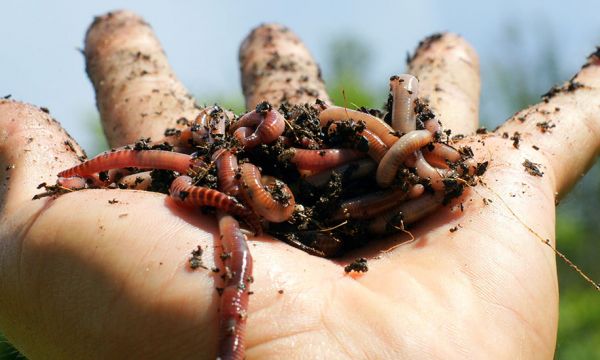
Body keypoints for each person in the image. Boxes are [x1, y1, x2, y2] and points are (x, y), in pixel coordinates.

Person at [0, 10, 598, 359]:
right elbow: (199, 173)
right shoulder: (233, 175)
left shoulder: (402, 169)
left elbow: (380, 159)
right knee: (177, 171)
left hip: (328, 183)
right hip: (236, 185)